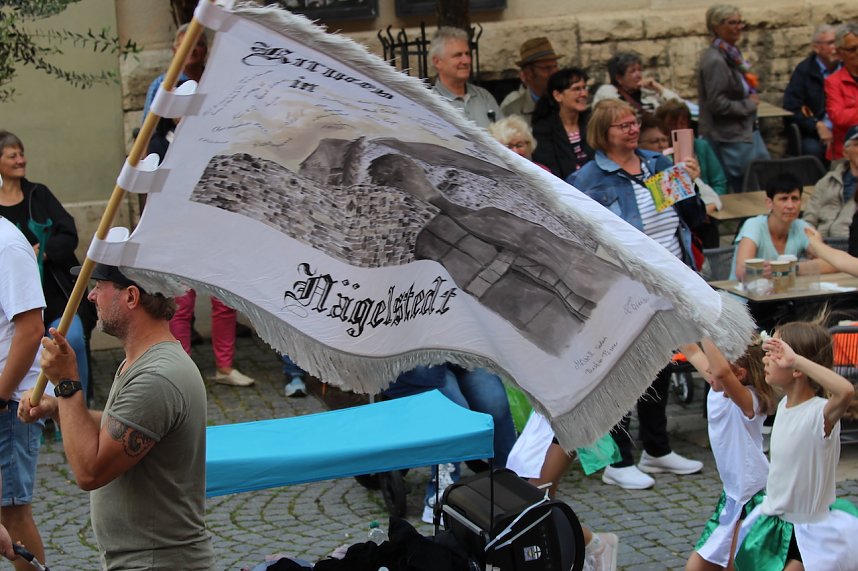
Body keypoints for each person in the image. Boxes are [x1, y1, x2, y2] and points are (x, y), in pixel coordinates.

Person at [19, 263, 215, 569]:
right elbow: (118, 426)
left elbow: (89, 472)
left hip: (156, 562)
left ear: (131, 297)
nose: (91, 296)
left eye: (99, 286)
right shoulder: (141, 363)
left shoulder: (156, 377)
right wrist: (59, 409)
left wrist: (67, 383)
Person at [568, 99, 706, 490]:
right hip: (625, 289)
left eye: (635, 123)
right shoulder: (589, 179)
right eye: (623, 125)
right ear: (603, 132)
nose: (633, 130)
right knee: (623, 370)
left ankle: (657, 449)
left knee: (660, 366)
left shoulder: (656, 165)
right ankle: (618, 459)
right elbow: (578, 240)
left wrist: (689, 184)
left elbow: (694, 219)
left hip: (670, 280)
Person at [734, 323, 858, 570]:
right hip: (777, 524)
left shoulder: (819, 414)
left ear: (797, 369)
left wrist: (796, 360)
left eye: (775, 353)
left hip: (810, 534)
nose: (765, 359)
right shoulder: (784, 405)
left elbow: (845, 391)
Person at [0, 130, 95, 397]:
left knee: (70, 340)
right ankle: (39, 402)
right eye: (12, 156)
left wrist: (42, 253)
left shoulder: (38, 194)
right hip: (13, 305)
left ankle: (78, 404)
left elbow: (69, 232)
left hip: (54, 296)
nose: (20, 160)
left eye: (21, 154)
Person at [679, 338, 776, 571]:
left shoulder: (749, 400)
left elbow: (721, 371)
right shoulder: (717, 385)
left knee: (735, 565)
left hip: (753, 495)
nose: (707, 370)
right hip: (733, 495)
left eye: (712, 365)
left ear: (739, 375)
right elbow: (691, 351)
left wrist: (711, 332)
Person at [382, 364, 516, 525]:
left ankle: (510, 478)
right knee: (455, 410)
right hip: (417, 366)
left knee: (494, 401)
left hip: (461, 356)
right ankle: (441, 496)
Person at [0, 216, 47, 571]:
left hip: (9, 403)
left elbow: (31, 330)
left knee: (12, 513)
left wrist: (0, 397)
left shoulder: (7, 246)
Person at [698, 4, 770, 192]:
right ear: (716, 26)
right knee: (745, 191)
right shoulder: (715, 60)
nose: (739, 27)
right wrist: (749, 105)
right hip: (729, 138)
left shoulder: (731, 54)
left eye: (740, 22)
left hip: (744, 132)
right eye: (732, 23)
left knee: (760, 182)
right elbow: (717, 103)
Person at [730, 172, 835, 281]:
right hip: (741, 291)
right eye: (783, 199)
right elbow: (741, 271)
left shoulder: (802, 227)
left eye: (795, 199)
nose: (790, 206)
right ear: (769, 203)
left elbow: (833, 262)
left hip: (783, 290)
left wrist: (791, 269)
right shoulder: (753, 225)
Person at [637, 114, 721, 247]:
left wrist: (691, 182)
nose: (661, 145)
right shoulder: (642, 172)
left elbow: (713, 198)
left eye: (664, 140)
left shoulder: (671, 169)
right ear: (638, 145)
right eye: (654, 141)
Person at [783, 24, 841, 162]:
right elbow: (792, 107)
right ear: (816, 48)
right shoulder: (805, 71)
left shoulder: (848, 67)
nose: (835, 47)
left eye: (837, 42)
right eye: (830, 43)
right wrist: (816, 125)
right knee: (812, 151)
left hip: (847, 128)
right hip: (815, 132)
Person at [429, 27, 501, 129]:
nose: (466, 61)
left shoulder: (484, 98)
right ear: (437, 62)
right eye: (458, 55)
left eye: (467, 54)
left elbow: (505, 135)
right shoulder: (429, 104)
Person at [655, 99, 729, 196]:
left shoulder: (701, 146)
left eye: (682, 123)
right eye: (672, 124)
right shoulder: (656, 151)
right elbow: (660, 193)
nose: (678, 128)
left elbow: (719, 183)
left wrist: (713, 200)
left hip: (707, 199)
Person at [531, 67, 594, 179]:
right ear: (558, 95)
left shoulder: (592, 122)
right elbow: (550, 171)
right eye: (576, 89)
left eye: (584, 88)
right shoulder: (543, 129)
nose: (584, 93)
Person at [142, 22, 208, 120]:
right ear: (175, 51)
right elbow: (149, 127)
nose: (192, 49)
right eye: (186, 45)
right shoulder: (161, 85)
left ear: (206, 49)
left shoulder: (216, 81)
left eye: (198, 44)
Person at [803, 124, 858, 238]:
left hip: (850, 244)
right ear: (846, 153)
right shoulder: (828, 181)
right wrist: (811, 240)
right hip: (820, 241)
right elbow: (809, 218)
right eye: (857, 145)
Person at [592, 51, 681, 115]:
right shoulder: (607, 92)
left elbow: (680, 107)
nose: (639, 75)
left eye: (639, 70)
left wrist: (658, 88)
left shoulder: (649, 92)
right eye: (633, 71)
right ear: (619, 78)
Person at [500, 37, 563, 125]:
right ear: (528, 74)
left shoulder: (568, 104)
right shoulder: (512, 113)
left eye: (555, 66)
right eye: (547, 68)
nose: (554, 72)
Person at [825, 22, 858, 162]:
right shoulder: (833, 82)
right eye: (852, 49)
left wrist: (852, 111)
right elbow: (839, 118)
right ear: (839, 53)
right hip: (845, 153)